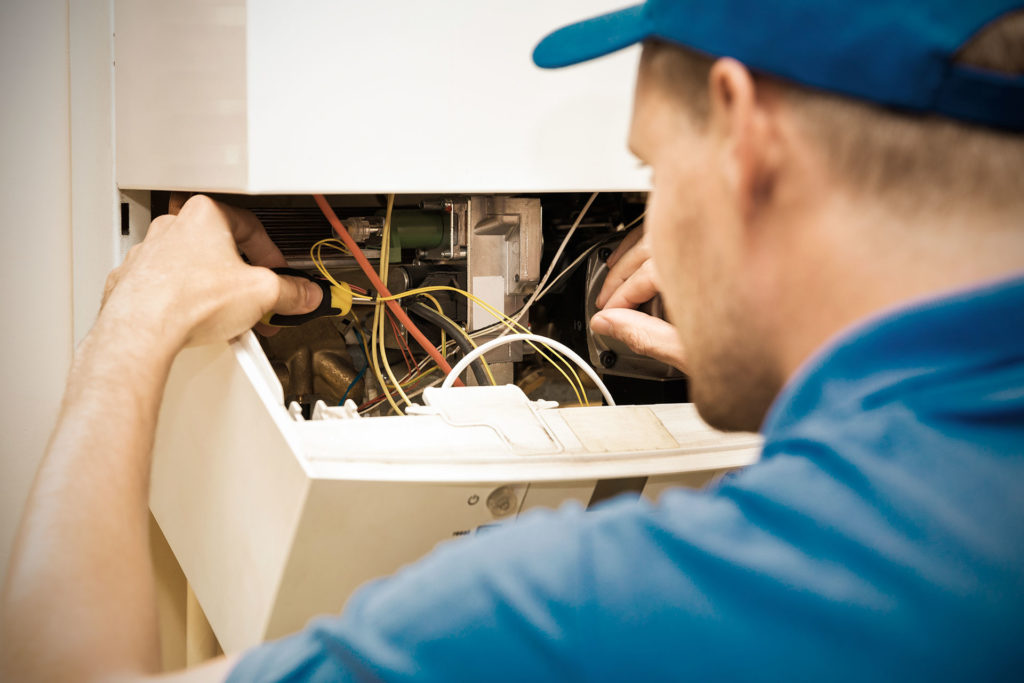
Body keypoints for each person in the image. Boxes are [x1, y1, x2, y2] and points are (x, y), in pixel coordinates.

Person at [2, 0, 1023, 680]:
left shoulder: (608, 607)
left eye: (652, 171)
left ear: (743, 136)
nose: (651, 230)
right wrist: (798, 375)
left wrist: (133, 321)